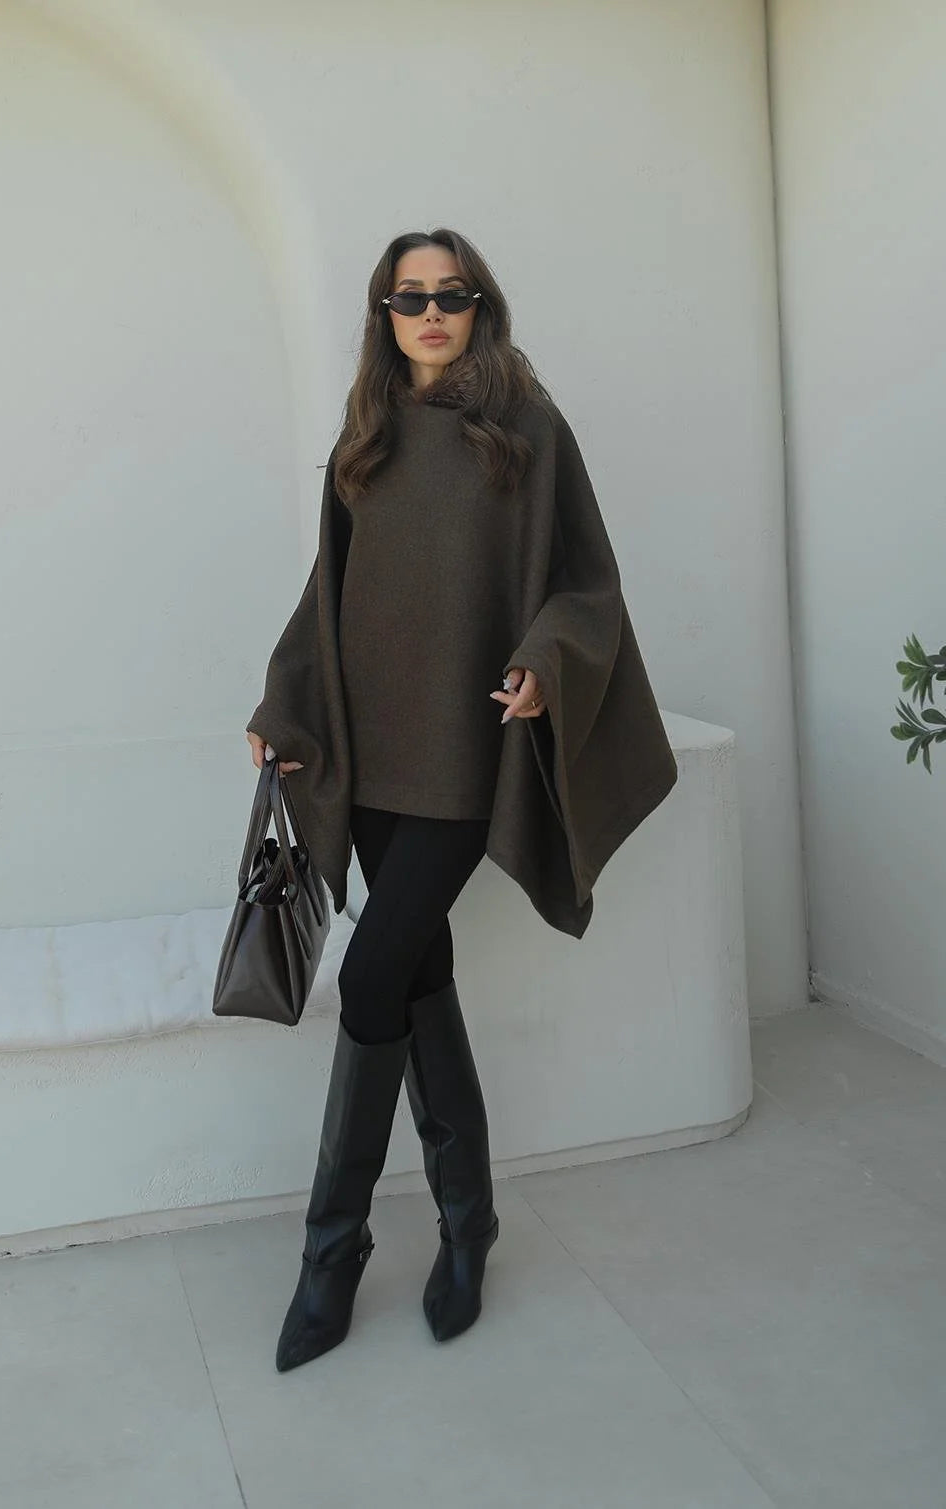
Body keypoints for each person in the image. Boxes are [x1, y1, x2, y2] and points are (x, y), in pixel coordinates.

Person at [245, 227, 678, 1374]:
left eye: (453, 293)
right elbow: (328, 592)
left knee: (372, 975)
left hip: (461, 751)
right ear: (383, 316)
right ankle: (467, 1225)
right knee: (417, 971)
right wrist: (286, 704)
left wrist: (543, 660)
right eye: (409, 297)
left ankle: (330, 1254)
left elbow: (588, 583)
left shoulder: (528, 430)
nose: (432, 312)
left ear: (481, 306)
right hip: (367, 747)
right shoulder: (366, 435)